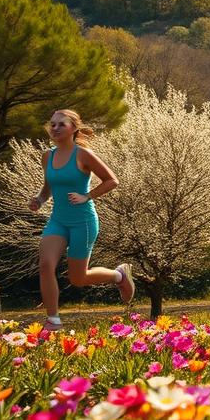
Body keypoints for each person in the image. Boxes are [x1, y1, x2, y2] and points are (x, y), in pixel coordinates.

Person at [29, 109, 133, 329]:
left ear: (74, 128)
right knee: (46, 264)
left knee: (78, 278)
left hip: (83, 222)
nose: (54, 128)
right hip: (58, 220)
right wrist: (39, 199)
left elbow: (111, 180)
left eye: (61, 124)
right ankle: (53, 319)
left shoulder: (82, 155)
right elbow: (48, 188)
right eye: (52, 124)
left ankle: (119, 276)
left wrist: (87, 196)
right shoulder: (47, 156)